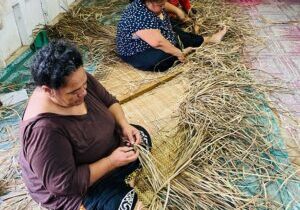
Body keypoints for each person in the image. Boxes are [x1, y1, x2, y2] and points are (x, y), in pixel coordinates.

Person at [19, 40, 151, 210]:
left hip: (108, 152)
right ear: (48, 90)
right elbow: (64, 184)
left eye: (84, 84)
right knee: (126, 205)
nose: (83, 93)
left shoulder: (76, 79)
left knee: (142, 137)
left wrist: (124, 125)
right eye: (74, 92)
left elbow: (109, 101)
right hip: (80, 188)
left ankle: (116, 178)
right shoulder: (43, 131)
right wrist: (111, 162)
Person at [116, 0, 227, 72]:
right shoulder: (139, 15)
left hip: (154, 36)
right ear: (150, 2)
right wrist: (178, 53)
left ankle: (208, 40)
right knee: (160, 61)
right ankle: (184, 51)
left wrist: (178, 11)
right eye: (161, 5)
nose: (164, 6)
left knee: (176, 33)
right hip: (138, 51)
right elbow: (157, 42)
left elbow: (164, 5)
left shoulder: (151, 4)